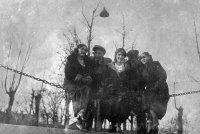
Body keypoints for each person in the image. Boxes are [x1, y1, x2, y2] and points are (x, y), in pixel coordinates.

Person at [63, 44, 93, 131]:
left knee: (87, 90)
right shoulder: (71, 59)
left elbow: (89, 72)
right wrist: (75, 76)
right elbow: (67, 73)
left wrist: (88, 77)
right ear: (77, 49)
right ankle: (77, 117)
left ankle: (81, 113)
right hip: (71, 82)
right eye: (82, 49)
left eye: (85, 50)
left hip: (82, 83)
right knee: (77, 93)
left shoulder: (87, 61)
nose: (84, 51)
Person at [140, 52, 170, 134]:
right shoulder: (143, 69)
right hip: (150, 89)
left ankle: (154, 125)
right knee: (147, 105)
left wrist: (156, 87)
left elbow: (163, 75)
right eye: (141, 58)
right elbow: (143, 81)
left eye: (144, 57)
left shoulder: (155, 64)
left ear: (149, 57)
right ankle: (153, 126)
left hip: (160, 89)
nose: (142, 59)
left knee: (153, 105)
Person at [86, 45, 112, 130]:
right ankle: (87, 125)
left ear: (103, 54)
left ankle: (99, 125)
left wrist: (104, 86)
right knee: (90, 105)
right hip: (91, 86)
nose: (97, 55)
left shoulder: (107, 62)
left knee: (103, 106)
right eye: (95, 53)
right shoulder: (89, 60)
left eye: (99, 53)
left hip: (102, 87)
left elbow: (110, 75)